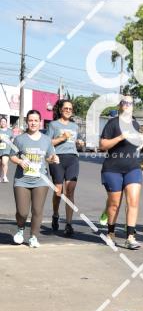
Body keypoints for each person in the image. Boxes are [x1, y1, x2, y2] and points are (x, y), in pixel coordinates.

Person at [99, 96, 143, 249]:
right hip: (113, 168)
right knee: (114, 204)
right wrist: (120, 137)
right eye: (124, 102)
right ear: (120, 105)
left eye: (130, 103)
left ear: (133, 106)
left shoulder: (136, 124)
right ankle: (110, 233)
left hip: (133, 167)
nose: (127, 105)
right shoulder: (112, 123)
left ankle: (130, 237)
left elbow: (141, 146)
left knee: (133, 201)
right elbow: (102, 145)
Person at [10, 109, 58, 248]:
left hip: (40, 180)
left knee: (37, 210)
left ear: (40, 122)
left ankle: (33, 237)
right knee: (22, 212)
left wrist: (53, 159)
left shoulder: (46, 140)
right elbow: (12, 156)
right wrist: (19, 161)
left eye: (36, 120)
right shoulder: (20, 139)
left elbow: (49, 157)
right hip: (22, 180)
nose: (33, 123)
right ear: (27, 122)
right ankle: (20, 229)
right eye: (30, 120)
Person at [47, 98, 84, 236]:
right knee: (58, 191)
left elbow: (76, 143)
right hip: (57, 159)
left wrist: (79, 143)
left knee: (70, 191)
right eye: (66, 108)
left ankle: (69, 224)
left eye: (70, 109)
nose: (68, 110)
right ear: (60, 109)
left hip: (72, 158)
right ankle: (55, 214)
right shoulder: (53, 125)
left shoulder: (74, 126)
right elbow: (47, 142)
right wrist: (62, 138)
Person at [0, 116, 12, 182]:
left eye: (4, 121)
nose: (3, 123)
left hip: (6, 149)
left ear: (6, 123)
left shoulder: (9, 131)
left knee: (4, 162)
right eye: (1, 121)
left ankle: (5, 176)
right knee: (0, 163)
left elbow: (12, 139)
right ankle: (0, 176)